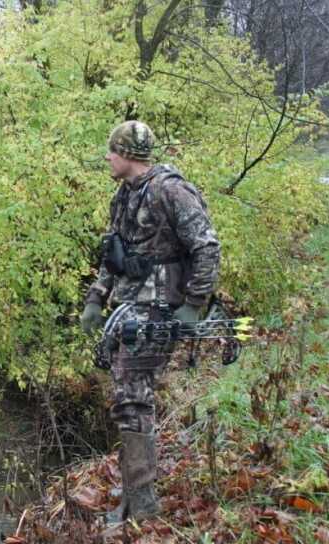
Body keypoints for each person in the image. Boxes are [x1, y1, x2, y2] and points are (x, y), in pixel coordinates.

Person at [80, 120, 221, 522]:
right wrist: (96, 298)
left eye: (111, 150)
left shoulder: (172, 190)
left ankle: (142, 506)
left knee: (133, 399)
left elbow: (207, 247)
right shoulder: (123, 196)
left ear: (125, 154)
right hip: (128, 308)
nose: (106, 157)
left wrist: (193, 305)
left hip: (159, 312)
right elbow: (114, 254)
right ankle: (133, 498)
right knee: (127, 397)